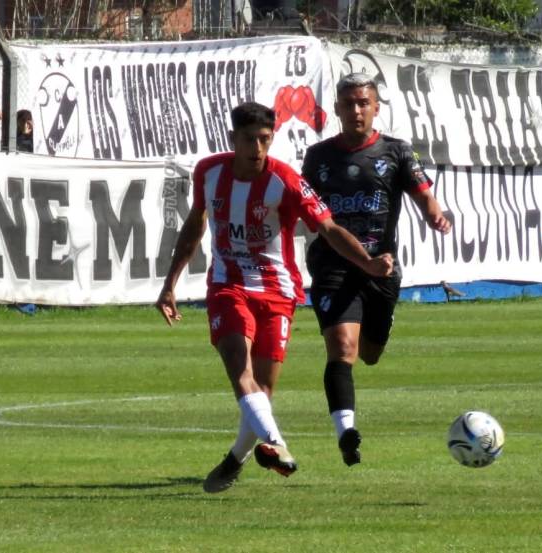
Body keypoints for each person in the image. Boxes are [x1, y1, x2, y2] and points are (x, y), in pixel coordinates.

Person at [156, 102, 393, 494]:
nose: (258, 147)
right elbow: (196, 224)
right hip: (228, 285)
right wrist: (170, 283)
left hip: (277, 291)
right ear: (233, 138)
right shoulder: (209, 172)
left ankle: (236, 458)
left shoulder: (284, 180)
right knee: (238, 366)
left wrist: (367, 263)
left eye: (265, 139)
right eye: (249, 139)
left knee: (262, 392)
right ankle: (278, 444)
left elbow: (329, 227)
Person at [301, 73, 451, 467]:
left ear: (375, 107)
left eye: (363, 103)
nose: (356, 110)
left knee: (370, 354)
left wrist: (436, 216)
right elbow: (308, 213)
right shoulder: (318, 157)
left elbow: (425, 198)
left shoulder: (397, 152)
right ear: (336, 109)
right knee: (343, 348)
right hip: (333, 265)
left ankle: (379, 325)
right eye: (348, 103)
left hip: (381, 269)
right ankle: (345, 430)